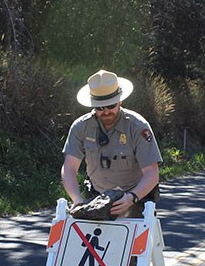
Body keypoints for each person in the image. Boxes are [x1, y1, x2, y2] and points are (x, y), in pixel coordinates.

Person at [61, 69, 162, 218]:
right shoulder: (81, 127)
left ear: (120, 101)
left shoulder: (138, 127)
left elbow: (152, 173)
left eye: (111, 105)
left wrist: (131, 198)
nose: (106, 111)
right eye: (100, 108)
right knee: (90, 241)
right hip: (96, 198)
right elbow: (69, 167)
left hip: (134, 198)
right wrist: (77, 199)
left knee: (132, 240)